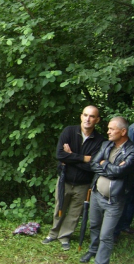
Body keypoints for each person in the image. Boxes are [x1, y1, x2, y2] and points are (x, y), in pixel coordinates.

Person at [41, 106, 104, 250]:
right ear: (81, 116)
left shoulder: (100, 140)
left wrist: (71, 157)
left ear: (97, 120)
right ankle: (53, 233)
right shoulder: (69, 131)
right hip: (65, 179)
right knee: (59, 206)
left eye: (92, 116)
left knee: (75, 212)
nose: (88, 119)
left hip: (83, 183)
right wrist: (84, 158)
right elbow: (60, 155)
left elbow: (93, 166)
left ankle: (65, 236)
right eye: (85, 115)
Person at [80, 116, 134, 264]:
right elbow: (94, 164)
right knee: (94, 225)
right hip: (97, 194)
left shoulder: (131, 151)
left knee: (106, 234)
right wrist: (108, 166)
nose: (108, 131)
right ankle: (93, 249)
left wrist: (105, 165)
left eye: (112, 129)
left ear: (123, 132)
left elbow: (120, 173)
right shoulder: (106, 144)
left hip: (114, 201)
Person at [112, 122, 134, 242]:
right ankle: (115, 232)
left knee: (130, 201)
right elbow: (126, 149)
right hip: (128, 172)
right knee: (124, 200)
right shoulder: (132, 129)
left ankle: (125, 225)